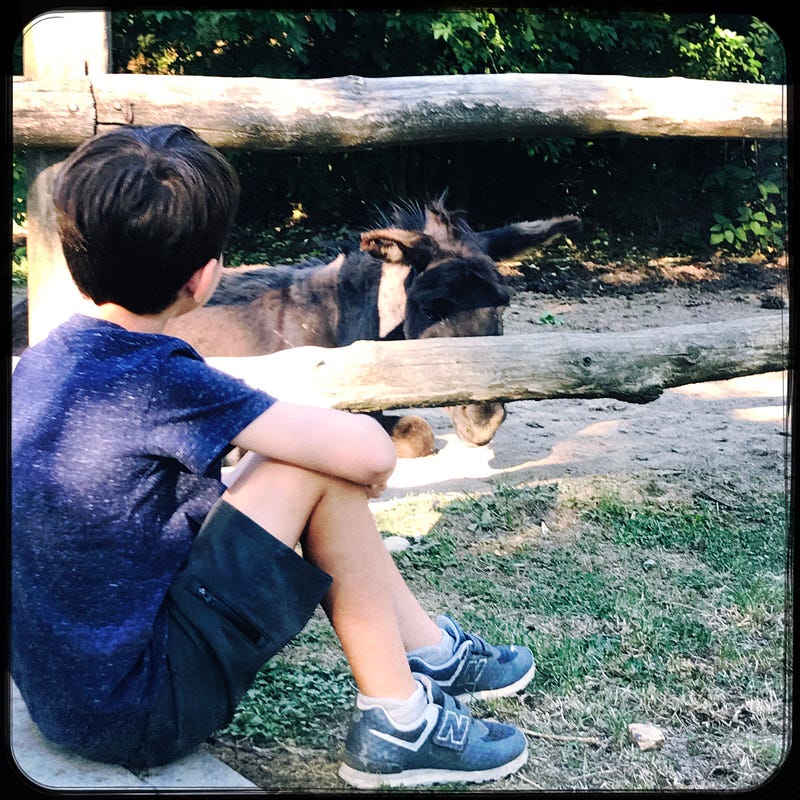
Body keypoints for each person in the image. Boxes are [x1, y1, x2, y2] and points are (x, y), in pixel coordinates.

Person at [11, 124, 536, 789]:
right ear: (206, 276)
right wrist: (332, 445)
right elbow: (372, 457)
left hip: (66, 697)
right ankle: (400, 716)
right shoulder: (165, 378)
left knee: (308, 457)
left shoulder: (47, 359)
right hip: (141, 712)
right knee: (321, 462)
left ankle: (426, 651)